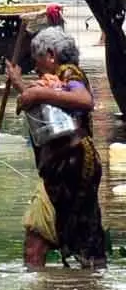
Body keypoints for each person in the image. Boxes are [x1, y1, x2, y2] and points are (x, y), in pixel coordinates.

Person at [7, 27, 106, 268]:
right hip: (61, 167)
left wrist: (38, 91)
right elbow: (50, 112)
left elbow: (83, 101)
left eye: (37, 59)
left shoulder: (70, 73)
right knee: (72, 233)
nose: (36, 66)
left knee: (71, 232)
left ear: (51, 55)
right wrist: (21, 85)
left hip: (73, 165)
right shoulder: (58, 79)